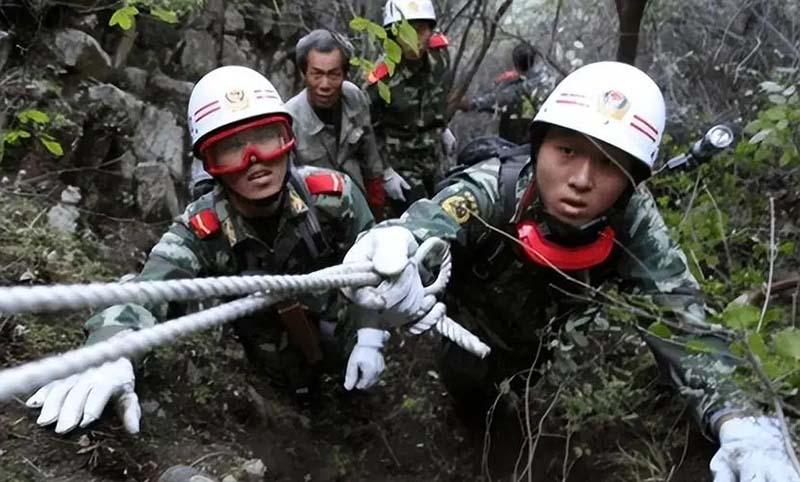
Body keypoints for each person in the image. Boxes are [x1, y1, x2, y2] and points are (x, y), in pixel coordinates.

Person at [343, 61, 800, 481]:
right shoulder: (494, 187)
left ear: (631, 179)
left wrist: (740, 420)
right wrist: (400, 242)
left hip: (538, 349)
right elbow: (439, 217)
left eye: (608, 162)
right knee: (469, 397)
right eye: (566, 150)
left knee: (515, 402)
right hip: (466, 334)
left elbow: (681, 319)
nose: (582, 178)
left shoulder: (632, 223)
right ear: (539, 147)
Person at [24, 66, 391, 435]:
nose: (254, 161)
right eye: (231, 148)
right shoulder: (199, 230)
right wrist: (111, 352)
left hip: (340, 322)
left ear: (287, 139)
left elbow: (378, 266)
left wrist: (370, 335)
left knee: (358, 387)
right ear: (210, 164)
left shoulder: (334, 196)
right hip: (269, 345)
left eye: (266, 138)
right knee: (293, 394)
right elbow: (147, 291)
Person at [287, 29, 397, 217]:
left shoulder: (354, 98)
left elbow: (370, 157)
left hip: (358, 205)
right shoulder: (290, 119)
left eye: (334, 75)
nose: (325, 84)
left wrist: (377, 205)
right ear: (304, 73)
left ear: (344, 74)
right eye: (316, 74)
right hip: (317, 215)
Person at [365, 0, 455, 211]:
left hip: (435, 160)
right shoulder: (381, 79)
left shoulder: (440, 57)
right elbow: (367, 131)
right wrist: (385, 173)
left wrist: (443, 129)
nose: (414, 38)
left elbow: (438, 98)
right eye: (406, 31)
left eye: (421, 30)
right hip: (401, 167)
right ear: (392, 35)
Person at [456, 42, 546, 144]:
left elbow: (496, 99)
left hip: (519, 145)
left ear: (516, 64)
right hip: (540, 143)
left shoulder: (519, 89)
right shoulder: (546, 80)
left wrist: (471, 104)